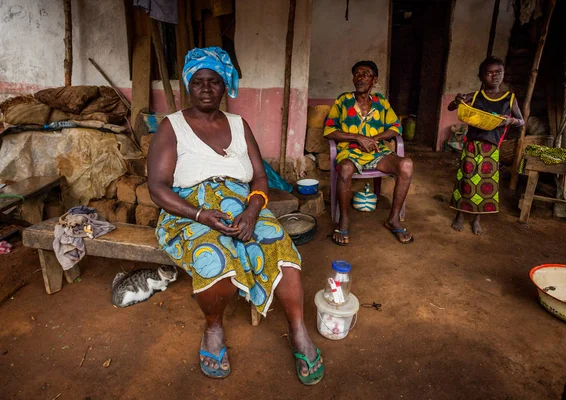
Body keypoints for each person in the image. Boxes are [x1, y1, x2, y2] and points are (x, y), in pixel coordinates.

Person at [147, 47, 324, 385]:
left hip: (244, 207)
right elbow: (157, 187)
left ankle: (298, 330)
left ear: (225, 84)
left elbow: (260, 177)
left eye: (214, 81)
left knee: (283, 253)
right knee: (216, 262)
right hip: (189, 211)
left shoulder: (238, 125)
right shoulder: (172, 127)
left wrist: (253, 211)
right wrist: (200, 214)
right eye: (198, 82)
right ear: (188, 85)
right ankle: (213, 327)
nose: (205, 89)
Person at [324, 60, 414, 246]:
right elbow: (329, 131)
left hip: (377, 153)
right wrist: (357, 137)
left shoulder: (381, 102)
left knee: (406, 164)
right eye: (357, 74)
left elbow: (396, 128)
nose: (360, 78)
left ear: (374, 80)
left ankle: (394, 219)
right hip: (349, 152)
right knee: (346, 169)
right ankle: (344, 220)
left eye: (365, 74)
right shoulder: (343, 100)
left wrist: (375, 139)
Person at [447, 56, 524, 234]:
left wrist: (511, 120)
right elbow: (452, 107)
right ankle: (460, 214)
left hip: (492, 148)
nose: (494, 76)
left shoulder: (509, 99)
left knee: (484, 185)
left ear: (503, 74)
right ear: (481, 77)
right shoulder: (475, 96)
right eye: (489, 73)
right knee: (465, 180)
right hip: (472, 145)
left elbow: (522, 121)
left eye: (498, 72)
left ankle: (476, 219)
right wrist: (457, 100)